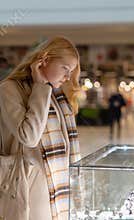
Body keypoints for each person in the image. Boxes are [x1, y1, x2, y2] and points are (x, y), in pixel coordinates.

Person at [0, 37, 81, 220]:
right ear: (44, 60)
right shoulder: (9, 89)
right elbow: (29, 136)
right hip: (29, 183)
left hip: (57, 182)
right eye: (65, 69)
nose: (68, 77)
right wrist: (39, 87)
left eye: (71, 71)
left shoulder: (56, 96)